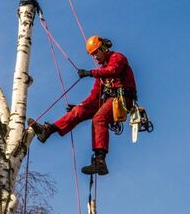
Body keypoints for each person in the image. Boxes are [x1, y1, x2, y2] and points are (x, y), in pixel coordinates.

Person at [28, 36, 137, 175]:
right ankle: (48, 130)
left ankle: (100, 161)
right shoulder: (101, 73)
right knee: (80, 110)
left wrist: (90, 73)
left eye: (96, 53)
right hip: (109, 100)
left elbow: (113, 71)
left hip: (123, 99)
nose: (95, 57)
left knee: (99, 118)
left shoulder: (117, 58)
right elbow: (94, 96)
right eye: (92, 55)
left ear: (103, 48)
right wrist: (80, 106)